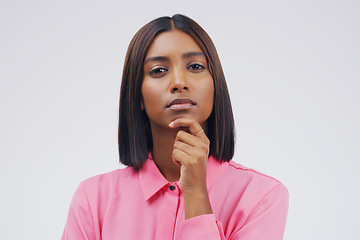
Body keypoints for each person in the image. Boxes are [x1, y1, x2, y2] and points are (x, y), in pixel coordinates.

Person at [62, 14, 289, 240]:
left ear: (215, 85)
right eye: (158, 70)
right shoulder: (93, 200)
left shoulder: (263, 197)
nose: (179, 82)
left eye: (195, 66)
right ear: (137, 95)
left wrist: (197, 195)